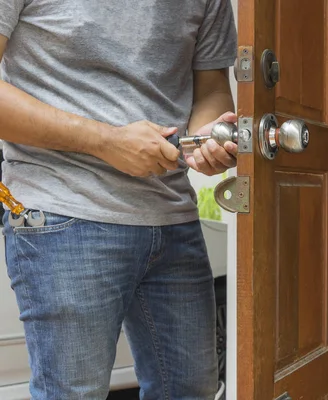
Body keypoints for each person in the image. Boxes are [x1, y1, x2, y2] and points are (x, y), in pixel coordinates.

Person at [0, 0, 237, 398]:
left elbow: (212, 88)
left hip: (173, 216)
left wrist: (205, 140)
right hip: (63, 212)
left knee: (192, 390)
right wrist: (105, 141)